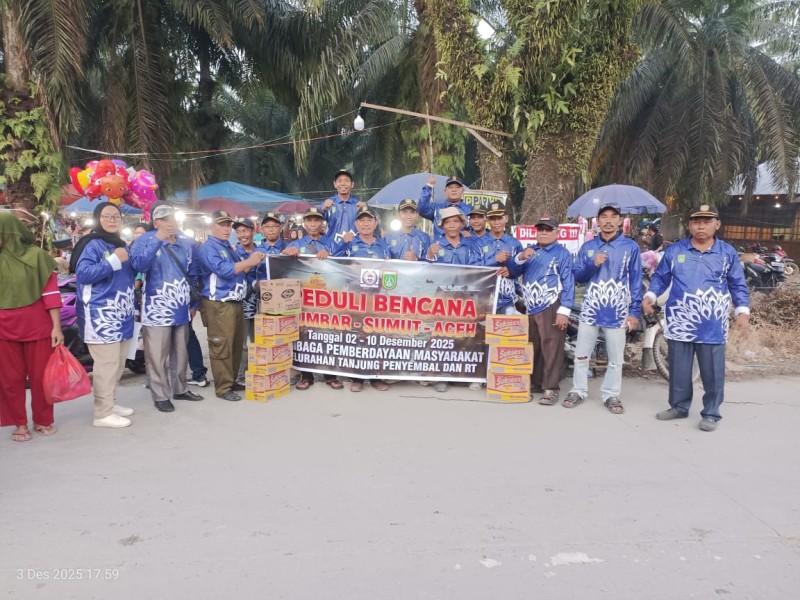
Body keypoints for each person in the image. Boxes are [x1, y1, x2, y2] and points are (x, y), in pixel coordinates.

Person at [643, 205, 750, 432]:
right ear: (690, 225)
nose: (701, 226)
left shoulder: (726, 253)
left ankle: (711, 413)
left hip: (712, 323)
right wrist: (650, 295)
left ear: (717, 225)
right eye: (696, 222)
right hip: (681, 320)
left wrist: (742, 311)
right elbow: (661, 277)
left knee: (712, 370)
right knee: (679, 368)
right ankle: (679, 407)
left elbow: (737, 284)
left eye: (707, 221)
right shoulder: (675, 251)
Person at [563, 202, 642, 414]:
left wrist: (634, 312)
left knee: (616, 358)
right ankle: (578, 390)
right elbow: (577, 276)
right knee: (581, 354)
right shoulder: (589, 247)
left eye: (612, 217)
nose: (608, 221)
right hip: (590, 309)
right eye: (603, 217)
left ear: (620, 221)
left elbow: (636, 281)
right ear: (597, 221)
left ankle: (611, 394)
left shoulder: (630, 248)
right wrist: (593, 264)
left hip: (617, 311)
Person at [130, 205, 203, 412]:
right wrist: (157, 239)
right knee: (157, 355)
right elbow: (138, 266)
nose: (170, 222)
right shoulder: (144, 240)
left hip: (181, 308)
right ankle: (160, 395)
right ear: (156, 223)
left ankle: (180, 388)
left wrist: (194, 302)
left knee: (181, 353)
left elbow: (193, 274)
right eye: (164, 219)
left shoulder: (186, 243)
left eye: (172, 218)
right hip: (156, 309)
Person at [71, 202, 137, 428]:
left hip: (123, 313)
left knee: (118, 363)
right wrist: (113, 260)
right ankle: (102, 413)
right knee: (106, 364)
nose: (112, 220)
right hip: (100, 315)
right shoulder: (91, 244)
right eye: (107, 217)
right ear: (98, 219)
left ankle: (110, 403)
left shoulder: (121, 245)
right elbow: (84, 274)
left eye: (116, 217)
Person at [0, 213, 63, 441]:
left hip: (38, 329)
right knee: (9, 379)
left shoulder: (37, 256)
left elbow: (51, 294)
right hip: (3, 330)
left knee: (40, 378)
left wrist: (57, 328)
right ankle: (18, 423)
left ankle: (42, 420)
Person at [196, 210, 265, 402]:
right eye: (222, 225)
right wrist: (248, 262)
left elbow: (240, 271)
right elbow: (223, 270)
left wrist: (250, 264)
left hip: (235, 301)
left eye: (228, 225)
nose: (226, 229)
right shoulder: (208, 247)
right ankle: (223, 386)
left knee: (235, 345)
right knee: (222, 345)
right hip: (219, 302)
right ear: (212, 227)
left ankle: (231, 380)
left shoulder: (228, 247)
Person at [508, 216, 575, 404]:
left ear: (557, 233)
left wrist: (564, 310)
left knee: (552, 347)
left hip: (551, 303)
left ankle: (551, 388)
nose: (543, 233)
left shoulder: (562, 253)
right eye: (540, 230)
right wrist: (520, 258)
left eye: (548, 229)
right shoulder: (530, 250)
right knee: (533, 346)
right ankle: (536, 382)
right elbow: (513, 272)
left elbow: (569, 282)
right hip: (530, 306)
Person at [283, 207, 343, 391]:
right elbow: (283, 266)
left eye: (316, 220)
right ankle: (306, 375)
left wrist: (331, 255)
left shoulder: (331, 243)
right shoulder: (296, 244)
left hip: (327, 298)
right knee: (304, 336)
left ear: (322, 222)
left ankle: (330, 375)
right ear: (304, 223)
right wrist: (286, 254)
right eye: (309, 220)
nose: (313, 224)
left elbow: (344, 264)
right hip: (304, 299)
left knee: (327, 335)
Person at [335, 206, 391, 392]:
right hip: (355, 298)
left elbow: (393, 268)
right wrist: (343, 243)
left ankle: (376, 377)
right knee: (356, 337)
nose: (365, 223)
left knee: (377, 337)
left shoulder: (383, 244)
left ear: (376, 223)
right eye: (362, 220)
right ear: (356, 223)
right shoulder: (350, 243)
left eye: (369, 220)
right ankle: (356, 377)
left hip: (378, 299)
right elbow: (332, 260)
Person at [425, 206, 476, 393]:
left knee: (464, 336)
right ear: (442, 226)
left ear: (461, 224)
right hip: (443, 300)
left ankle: (460, 374)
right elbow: (426, 271)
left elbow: (478, 269)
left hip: (465, 298)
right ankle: (440, 376)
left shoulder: (470, 245)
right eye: (448, 222)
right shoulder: (435, 246)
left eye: (456, 221)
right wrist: (430, 255)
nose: (452, 225)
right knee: (441, 337)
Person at [474, 202, 523, 315]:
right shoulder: (479, 243)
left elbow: (522, 268)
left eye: (499, 218)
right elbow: (472, 268)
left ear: (506, 218)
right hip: (484, 297)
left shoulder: (514, 243)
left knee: (506, 330)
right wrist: (494, 259)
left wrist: (511, 271)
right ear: (487, 220)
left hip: (508, 298)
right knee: (483, 330)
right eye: (493, 219)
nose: (496, 223)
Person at [233, 218, 261, 386]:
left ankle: (259, 371)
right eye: (239, 232)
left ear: (253, 231)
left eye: (245, 231)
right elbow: (235, 274)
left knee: (259, 340)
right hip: (242, 303)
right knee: (243, 343)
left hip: (263, 303)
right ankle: (242, 375)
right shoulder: (234, 253)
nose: (242, 235)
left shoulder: (262, 250)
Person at [321, 169, 365, 243]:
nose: (343, 184)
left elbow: (373, 223)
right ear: (335, 184)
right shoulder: (327, 204)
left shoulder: (358, 205)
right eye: (340, 181)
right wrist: (323, 210)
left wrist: (366, 209)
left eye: (346, 181)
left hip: (355, 247)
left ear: (352, 184)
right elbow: (314, 221)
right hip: (333, 248)